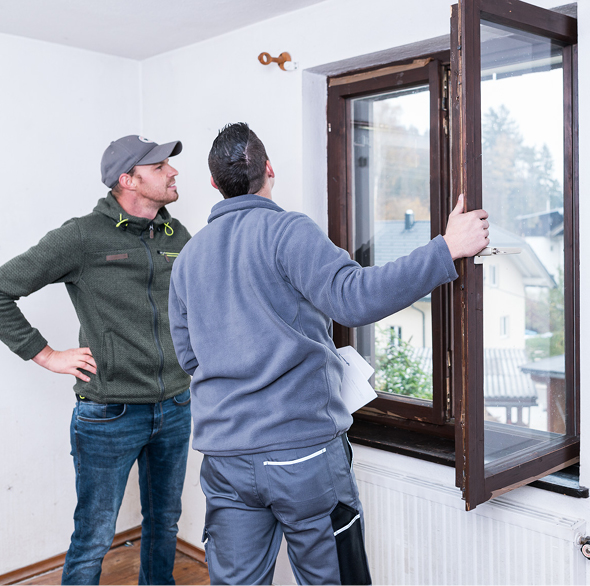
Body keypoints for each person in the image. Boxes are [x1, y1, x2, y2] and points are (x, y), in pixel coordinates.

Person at [168, 122, 489, 586]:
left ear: (215, 185)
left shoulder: (188, 258)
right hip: (302, 458)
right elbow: (356, 298)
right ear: (268, 170)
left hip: (226, 463)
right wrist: (447, 248)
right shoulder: (286, 231)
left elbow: (190, 358)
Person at [0, 135, 193, 585]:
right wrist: (45, 355)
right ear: (128, 180)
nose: (173, 171)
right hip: (110, 412)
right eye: (160, 165)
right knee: (94, 535)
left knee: (164, 524)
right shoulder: (82, 237)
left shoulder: (176, 234)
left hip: (175, 406)